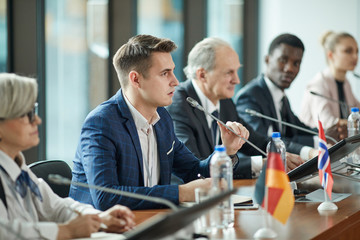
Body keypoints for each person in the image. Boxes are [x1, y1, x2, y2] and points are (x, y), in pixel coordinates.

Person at [69, 34, 249, 210]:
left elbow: (193, 171)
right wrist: (181, 193)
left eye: (172, 71)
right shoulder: (101, 123)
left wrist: (227, 150)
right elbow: (106, 198)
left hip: (151, 222)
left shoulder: (162, 119)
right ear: (136, 79)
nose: (176, 82)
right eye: (165, 73)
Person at [0, 73, 135, 240]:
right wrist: (66, 231)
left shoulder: (18, 169)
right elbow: (5, 231)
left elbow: (57, 208)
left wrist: (99, 218)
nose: (37, 120)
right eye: (26, 114)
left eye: (33, 110)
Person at [167, 37, 305, 175]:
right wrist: (262, 163)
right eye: (229, 73)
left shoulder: (225, 101)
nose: (237, 80)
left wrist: (283, 155)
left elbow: (256, 142)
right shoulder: (179, 104)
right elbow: (196, 167)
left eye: (236, 71)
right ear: (202, 75)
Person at [234, 33, 340, 161]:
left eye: (296, 63)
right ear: (267, 60)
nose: (290, 68)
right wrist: (318, 141)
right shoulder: (250, 96)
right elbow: (263, 142)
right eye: (283, 60)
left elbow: (297, 129)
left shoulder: (281, 97)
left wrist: (324, 134)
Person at [300, 31, 360, 130]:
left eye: (357, 51)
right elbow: (326, 123)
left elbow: (356, 110)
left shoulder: (345, 83)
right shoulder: (319, 83)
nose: (355, 57)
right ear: (331, 55)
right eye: (348, 51)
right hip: (317, 143)